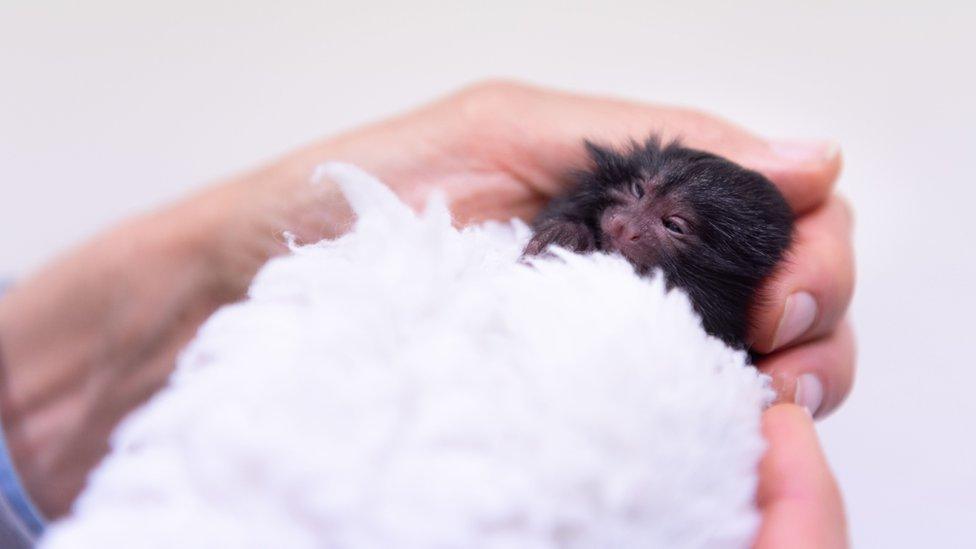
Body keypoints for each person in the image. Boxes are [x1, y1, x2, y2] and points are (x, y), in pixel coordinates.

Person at [0, 81, 854, 547]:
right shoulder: (560, 223)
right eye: (632, 193)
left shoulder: (706, 337)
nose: (625, 223)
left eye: (671, 227)